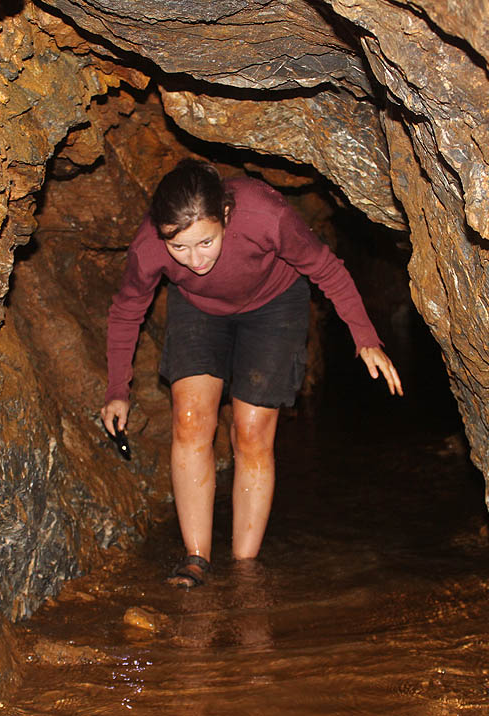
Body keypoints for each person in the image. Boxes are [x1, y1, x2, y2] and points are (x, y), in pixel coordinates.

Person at [101, 159, 402, 588]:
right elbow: (127, 309)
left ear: (225, 215)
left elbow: (325, 268)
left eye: (204, 242)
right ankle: (195, 558)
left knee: (252, 432)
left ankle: (244, 569)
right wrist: (118, 389)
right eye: (179, 248)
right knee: (190, 421)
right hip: (198, 309)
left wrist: (365, 337)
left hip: (274, 304)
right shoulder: (150, 246)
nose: (193, 259)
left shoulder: (265, 214)